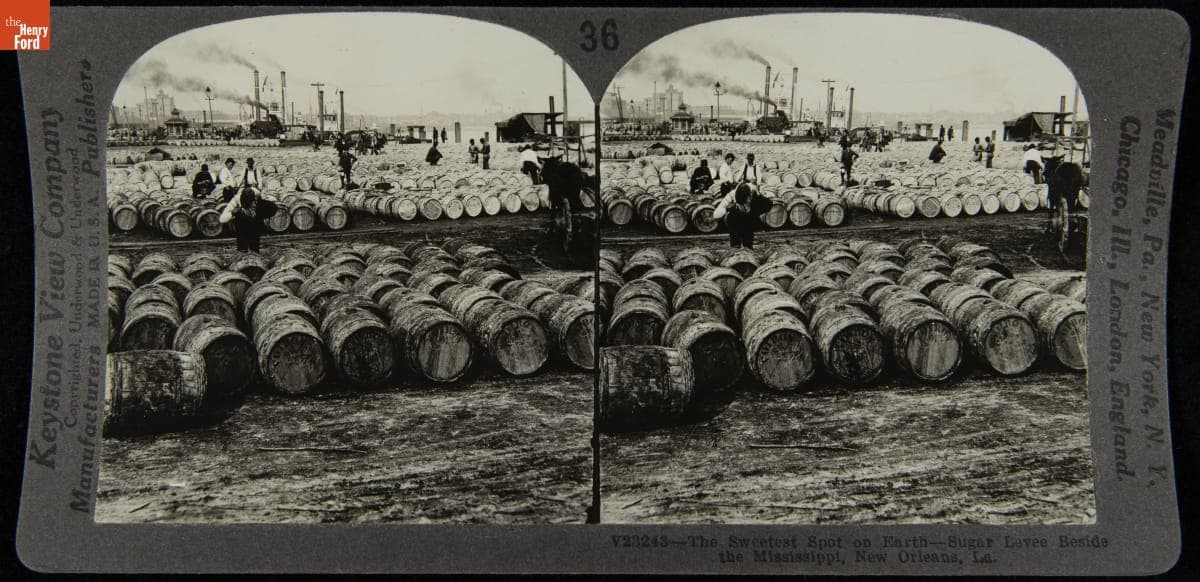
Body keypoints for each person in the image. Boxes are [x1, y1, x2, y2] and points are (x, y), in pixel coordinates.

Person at [712, 183, 772, 250]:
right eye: (742, 204)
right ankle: (735, 245)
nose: (745, 205)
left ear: (750, 197)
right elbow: (715, 215)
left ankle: (748, 246)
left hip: (750, 220)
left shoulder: (754, 193)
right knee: (732, 217)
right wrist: (727, 208)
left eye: (747, 201)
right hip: (735, 221)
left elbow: (769, 206)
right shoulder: (731, 195)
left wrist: (759, 196)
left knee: (748, 242)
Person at [219, 187, 279, 254]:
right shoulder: (235, 201)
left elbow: (274, 208)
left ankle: (254, 250)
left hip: (255, 223)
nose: (250, 208)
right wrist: (233, 212)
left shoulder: (258, 197)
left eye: (252, 205)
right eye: (247, 207)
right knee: (239, 218)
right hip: (242, 224)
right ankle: (242, 249)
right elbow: (222, 219)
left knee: (255, 226)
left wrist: (261, 216)